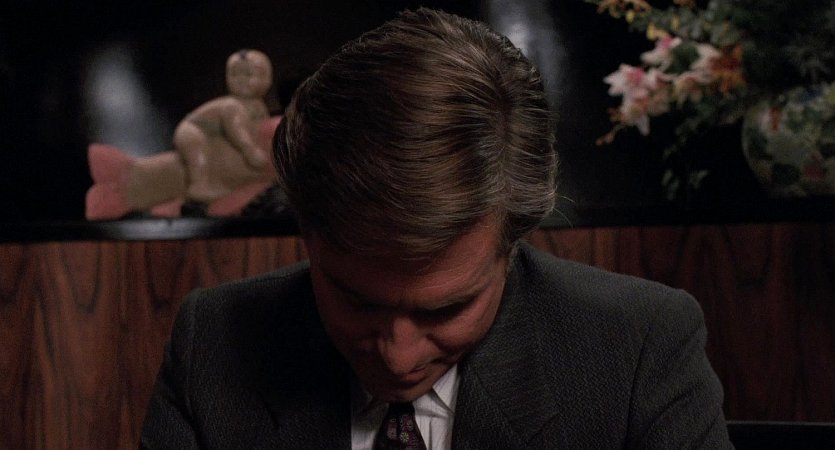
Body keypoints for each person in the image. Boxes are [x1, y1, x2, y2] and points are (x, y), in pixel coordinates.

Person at [141, 8, 733, 449]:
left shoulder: (637, 349)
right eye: (358, 301)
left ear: (511, 245)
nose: (398, 358)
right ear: (307, 234)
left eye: (445, 310)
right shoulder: (213, 343)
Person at [173, 49, 273, 203]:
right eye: (235, 74)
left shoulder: (258, 106)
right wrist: (250, 151)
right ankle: (198, 186)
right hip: (191, 130)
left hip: (211, 134)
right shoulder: (232, 105)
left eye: (248, 74)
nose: (241, 80)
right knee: (198, 158)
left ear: (267, 79)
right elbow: (236, 131)